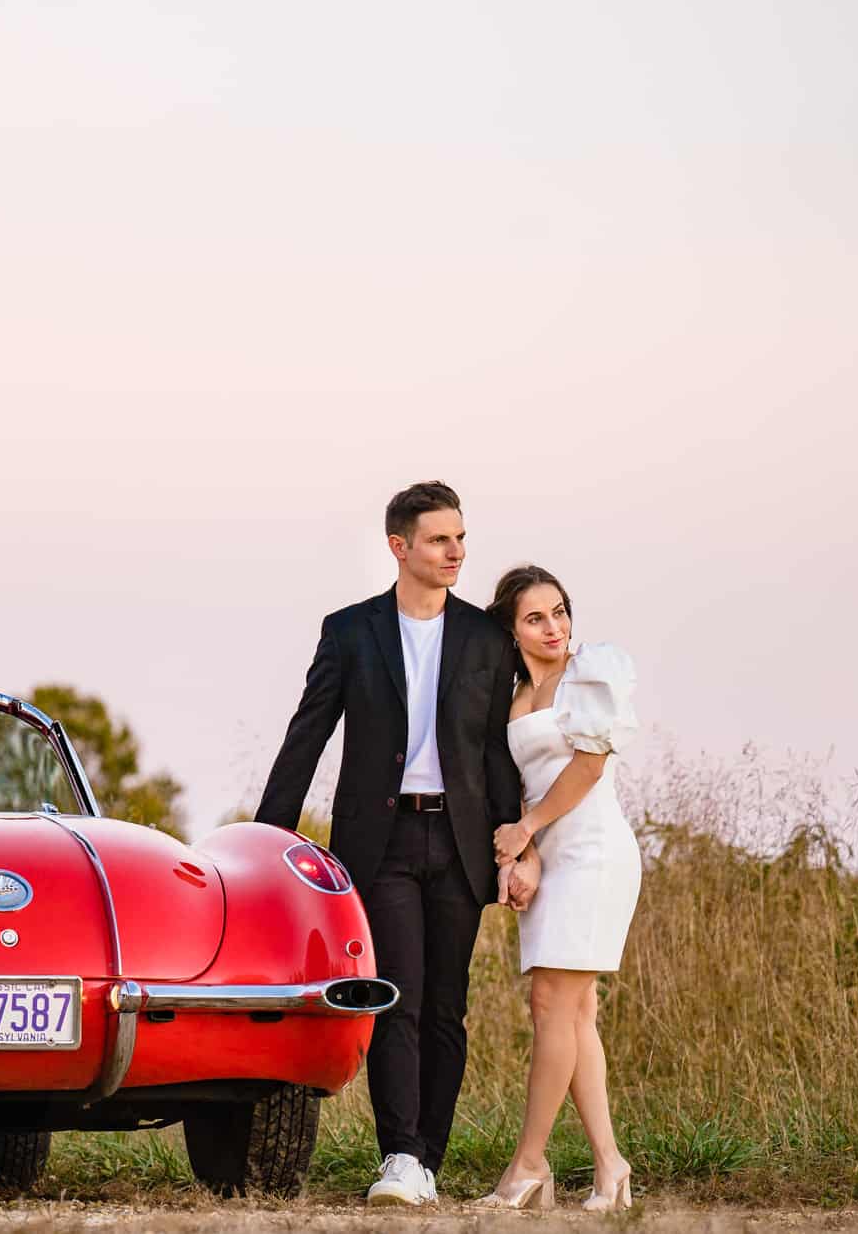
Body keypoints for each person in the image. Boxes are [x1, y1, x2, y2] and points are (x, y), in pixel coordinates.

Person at [255, 481, 539, 1207]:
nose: (456, 552)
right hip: (380, 840)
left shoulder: (484, 637)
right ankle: (401, 1155)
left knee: (448, 1006)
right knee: (400, 998)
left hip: (461, 840)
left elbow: (495, 754)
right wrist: (267, 837)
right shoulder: (350, 630)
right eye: (441, 539)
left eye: (461, 538)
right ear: (399, 546)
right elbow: (308, 732)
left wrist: (516, 847)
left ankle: (429, 1160)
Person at [473, 564, 642, 1213]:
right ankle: (611, 1166)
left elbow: (590, 764)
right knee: (573, 1014)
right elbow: (519, 788)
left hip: (596, 853)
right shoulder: (511, 697)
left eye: (561, 611)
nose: (554, 627)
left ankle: (529, 1164)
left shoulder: (588, 674)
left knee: (551, 1002)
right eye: (536, 617)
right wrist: (530, 855)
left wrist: (528, 828)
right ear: (511, 629)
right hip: (553, 857)